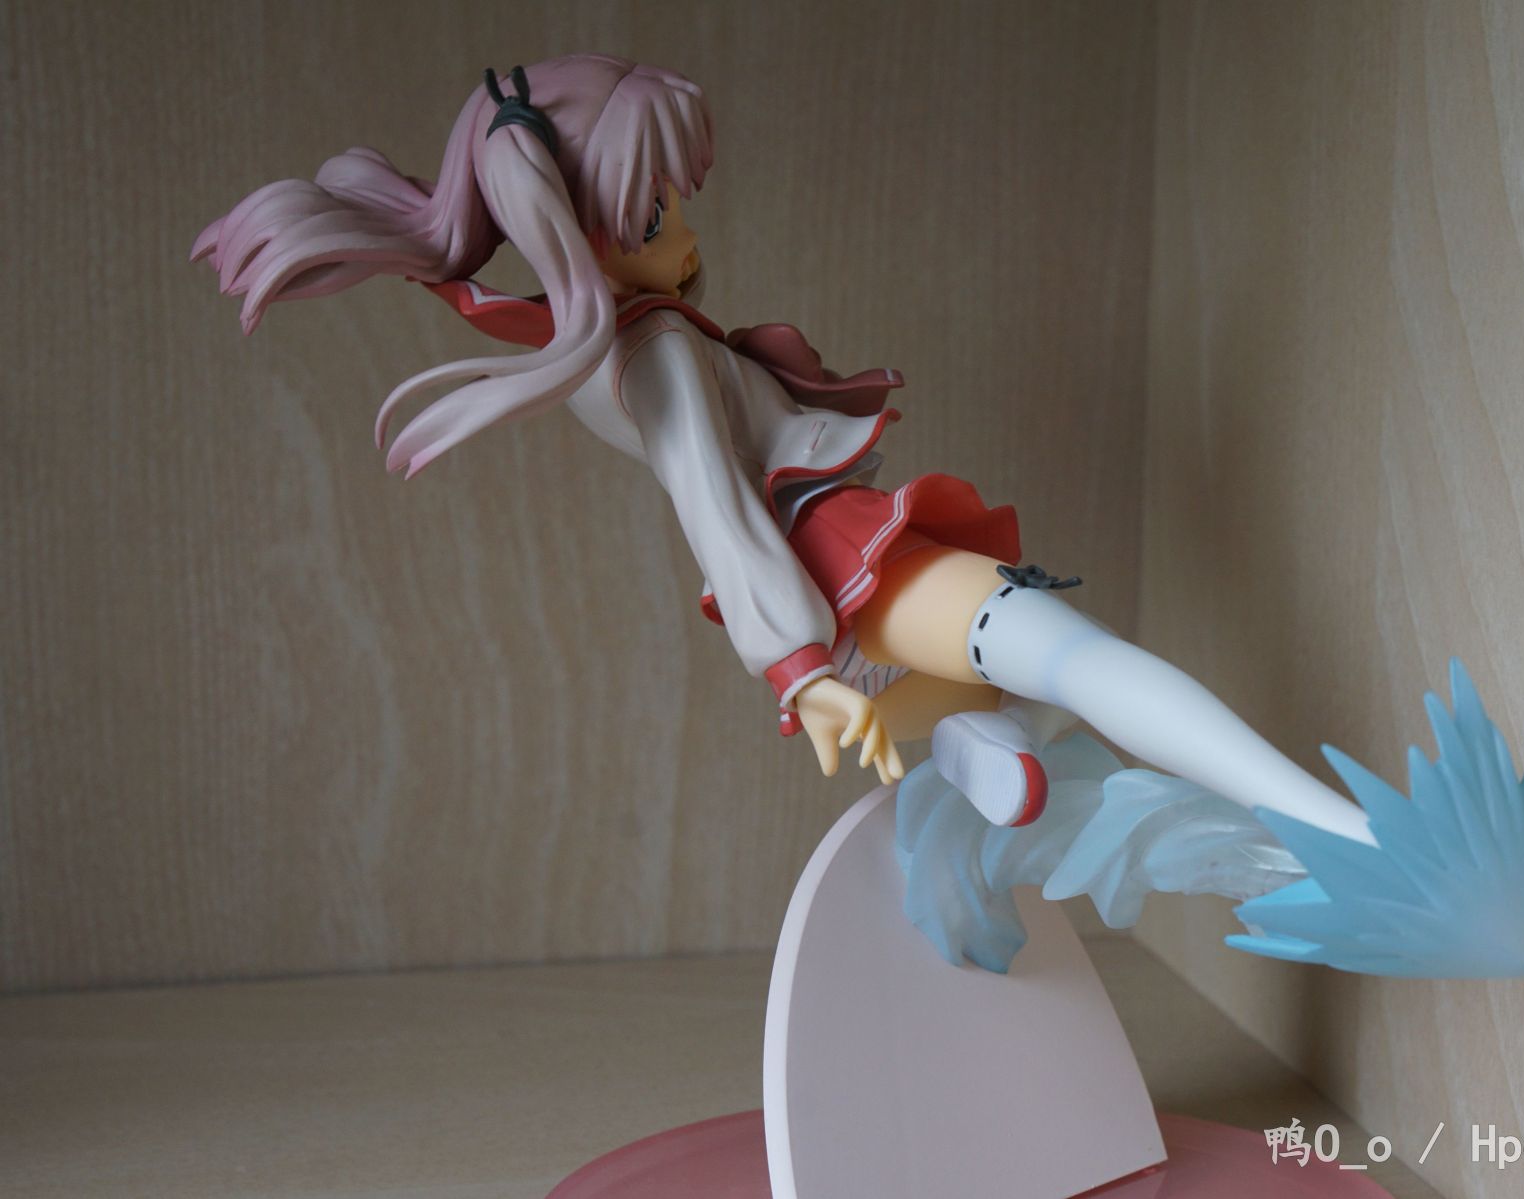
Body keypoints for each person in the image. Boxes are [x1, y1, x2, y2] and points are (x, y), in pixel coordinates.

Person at [195, 55, 1373, 844]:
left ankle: (965, 738)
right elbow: (709, 505)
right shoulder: (652, 351)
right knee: (1078, 655)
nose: (685, 234)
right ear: (581, 235)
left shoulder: (619, 339)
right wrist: (797, 668)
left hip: (841, 565)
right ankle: (1342, 831)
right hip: (846, 556)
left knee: (1031, 691)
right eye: (654, 214)